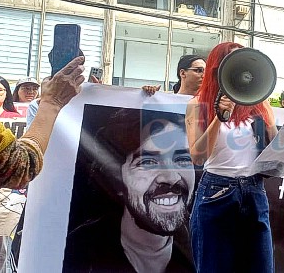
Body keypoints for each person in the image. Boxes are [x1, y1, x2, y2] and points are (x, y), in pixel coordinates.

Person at [185, 42, 284, 272]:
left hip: (253, 191)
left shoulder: (260, 103)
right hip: (216, 192)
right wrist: (219, 117)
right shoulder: (198, 105)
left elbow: (276, 145)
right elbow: (198, 157)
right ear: (218, 67)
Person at [63, 107, 195, 273]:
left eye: (182, 159)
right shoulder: (75, 251)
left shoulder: (208, 243)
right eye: (147, 162)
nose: (171, 178)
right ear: (116, 179)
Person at [0, 57, 84, 190]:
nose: (30, 92)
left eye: (34, 89)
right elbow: (17, 169)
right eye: (26, 88)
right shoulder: (36, 106)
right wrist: (52, 102)